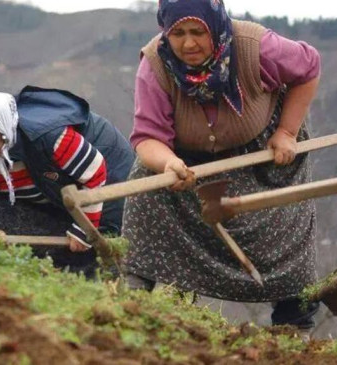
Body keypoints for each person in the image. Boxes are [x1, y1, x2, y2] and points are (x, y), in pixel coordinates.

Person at [122, 0, 321, 332]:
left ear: (214, 25)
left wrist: (287, 132)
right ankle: (132, 300)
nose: (188, 44)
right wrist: (170, 163)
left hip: (264, 155)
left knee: (285, 239)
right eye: (178, 33)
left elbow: (309, 67)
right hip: (189, 164)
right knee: (147, 187)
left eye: (198, 32)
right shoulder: (155, 65)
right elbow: (147, 137)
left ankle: (294, 324)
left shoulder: (255, 47)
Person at [0, 85, 134, 278]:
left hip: (108, 185)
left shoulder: (49, 137)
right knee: (1, 216)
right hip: (54, 194)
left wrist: (84, 231)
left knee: (96, 251)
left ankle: (100, 281)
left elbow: (96, 173)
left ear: (4, 130)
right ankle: (47, 271)